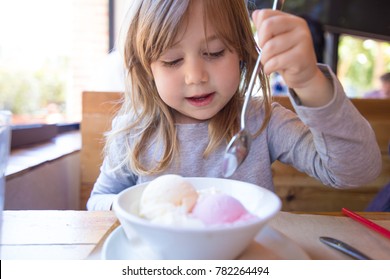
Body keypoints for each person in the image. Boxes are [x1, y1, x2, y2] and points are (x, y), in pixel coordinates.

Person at [87, 0, 381, 211]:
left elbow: (355, 171)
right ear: (147, 68)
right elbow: (99, 200)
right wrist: (141, 208)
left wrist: (309, 83)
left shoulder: (261, 122)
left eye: (214, 52)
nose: (195, 76)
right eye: (172, 60)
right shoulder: (134, 133)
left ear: (241, 52)